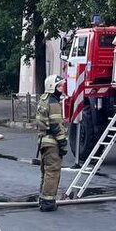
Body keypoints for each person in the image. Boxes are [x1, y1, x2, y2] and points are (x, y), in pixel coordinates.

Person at [34, 74, 67, 212]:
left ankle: (43, 199)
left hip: (43, 141)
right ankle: (48, 202)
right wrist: (63, 143)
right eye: (59, 86)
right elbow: (55, 125)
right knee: (52, 172)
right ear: (52, 87)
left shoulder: (44, 99)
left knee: (46, 172)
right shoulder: (53, 103)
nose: (62, 88)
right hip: (52, 142)